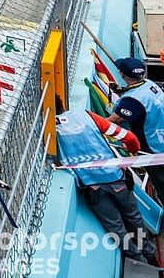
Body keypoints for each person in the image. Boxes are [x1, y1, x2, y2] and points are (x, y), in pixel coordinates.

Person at [57, 108, 157, 264]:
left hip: (92, 185)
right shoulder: (85, 115)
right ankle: (149, 253)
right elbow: (129, 137)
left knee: (116, 228)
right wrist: (132, 150)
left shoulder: (49, 129)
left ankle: (138, 261)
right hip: (115, 177)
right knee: (134, 217)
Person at [107, 57, 164, 197]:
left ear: (122, 74)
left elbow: (111, 121)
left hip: (155, 149)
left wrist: (87, 119)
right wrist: (121, 92)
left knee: (162, 186)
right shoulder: (149, 84)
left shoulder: (132, 101)